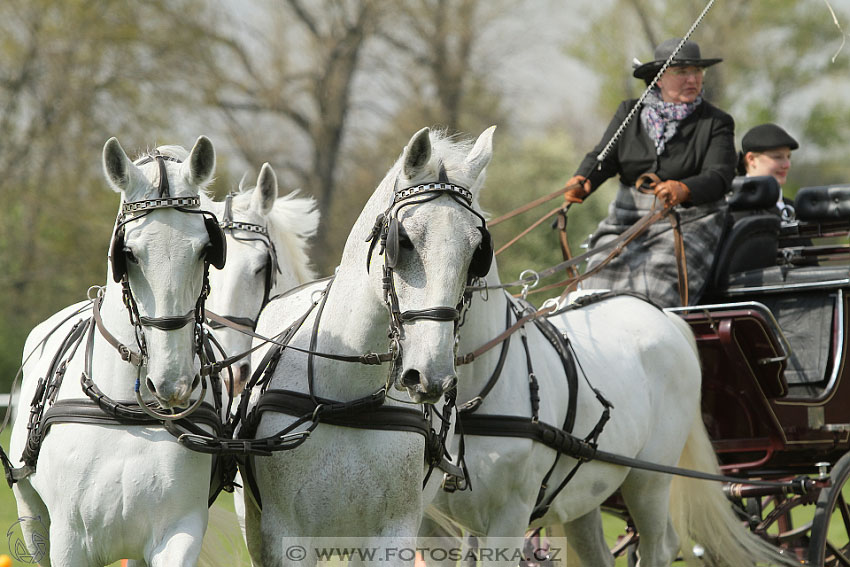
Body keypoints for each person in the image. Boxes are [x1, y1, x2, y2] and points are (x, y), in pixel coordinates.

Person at [563, 38, 736, 307]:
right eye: (681, 72)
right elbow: (603, 157)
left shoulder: (716, 122)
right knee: (593, 284)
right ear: (659, 79)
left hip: (690, 219)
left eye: (697, 71)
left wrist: (684, 189)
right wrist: (583, 180)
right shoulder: (629, 112)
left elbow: (720, 176)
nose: (692, 79)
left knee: (653, 291)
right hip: (626, 219)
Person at [737, 123, 799, 216]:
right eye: (777, 157)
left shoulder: (795, 209)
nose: (787, 165)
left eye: (788, 157)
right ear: (751, 159)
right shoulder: (737, 209)